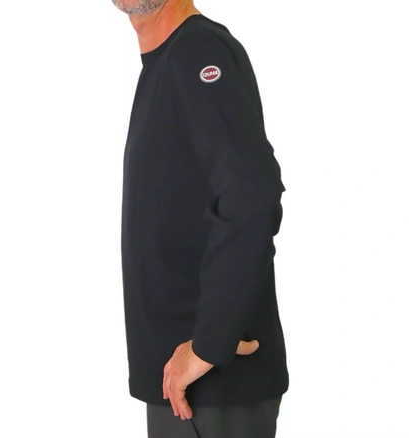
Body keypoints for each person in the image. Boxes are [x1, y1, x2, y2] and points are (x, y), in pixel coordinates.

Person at [114, 0, 289, 436]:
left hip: (212, 388)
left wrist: (210, 345)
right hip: (186, 387)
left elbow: (251, 195)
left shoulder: (197, 51)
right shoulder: (167, 62)